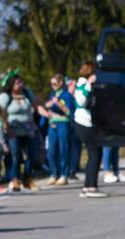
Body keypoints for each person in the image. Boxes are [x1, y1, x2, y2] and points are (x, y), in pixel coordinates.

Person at [0, 69, 47, 191]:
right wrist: (6, 124)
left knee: (33, 155)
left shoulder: (27, 93)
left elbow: (36, 106)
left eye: (21, 82)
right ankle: (15, 180)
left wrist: (46, 113)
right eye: (18, 83)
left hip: (29, 130)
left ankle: (27, 179)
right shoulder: (5, 96)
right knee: (16, 157)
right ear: (11, 85)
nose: (21, 85)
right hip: (13, 132)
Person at [72, 61, 108, 198]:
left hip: (85, 123)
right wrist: (89, 84)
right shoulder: (82, 84)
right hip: (84, 123)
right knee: (94, 154)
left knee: (93, 154)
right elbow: (80, 102)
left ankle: (88, 186)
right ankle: (91, 187)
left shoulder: (82, 84)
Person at [44, 74, 75, 186]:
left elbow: (69, 111)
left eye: (54, 83)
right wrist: (49, 106)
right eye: (51, 84)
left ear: (61, 83)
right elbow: (46, 105)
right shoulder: (52, 94)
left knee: (63, 149)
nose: (52, 86)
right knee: (51, 151)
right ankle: (53, 174)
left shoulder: (66, 95)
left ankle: (64, 175)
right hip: (52, 124)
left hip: (63, 124)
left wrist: (58, 104)